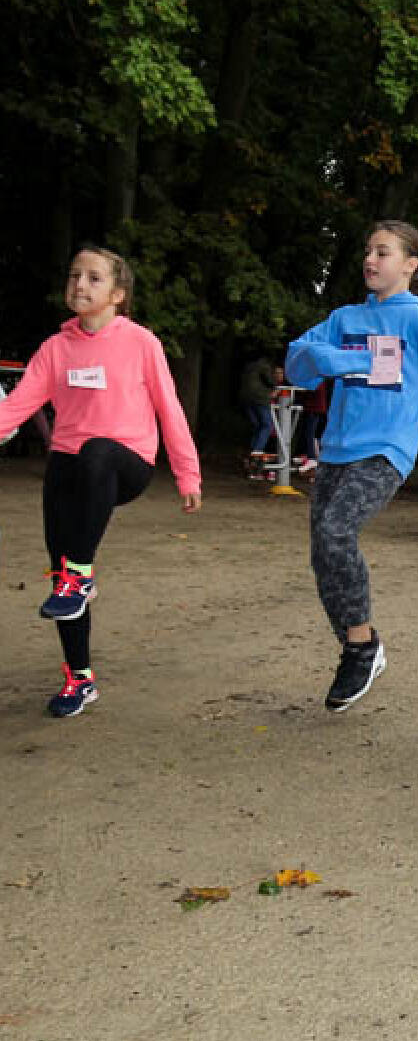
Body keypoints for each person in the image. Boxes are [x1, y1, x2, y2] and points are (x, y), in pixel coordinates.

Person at [0, 247, 202, 716]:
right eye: (74, 275)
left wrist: (187, 472)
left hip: (125, 463)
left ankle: (79, 575)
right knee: (62, 579)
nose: (80, 284)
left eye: (93, 278)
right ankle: (79, 679)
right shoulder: (55, 349)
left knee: (97, 451)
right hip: (69, 470)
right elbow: (18, 405)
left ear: (117, 294)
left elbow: (170, 408)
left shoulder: (141, 343)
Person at [286, 220, 418, 712]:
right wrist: (337, 359)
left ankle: (358, 648)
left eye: (383, 252)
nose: (370, 260)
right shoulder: (345, 318)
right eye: (368, 251)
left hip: (387, 451)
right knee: (323, 552)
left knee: (335, 532)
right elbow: (297, 362)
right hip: (336, 451)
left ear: (411, 265)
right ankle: (361, 643)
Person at [240, 353, 276, 460]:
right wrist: (275, 385)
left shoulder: (248, 366)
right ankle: (257, 450)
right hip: (259, 398)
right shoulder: (264, 365)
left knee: (257, 425)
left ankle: (252, 450)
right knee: (267, 425)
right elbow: (270, 380)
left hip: (246, 398)